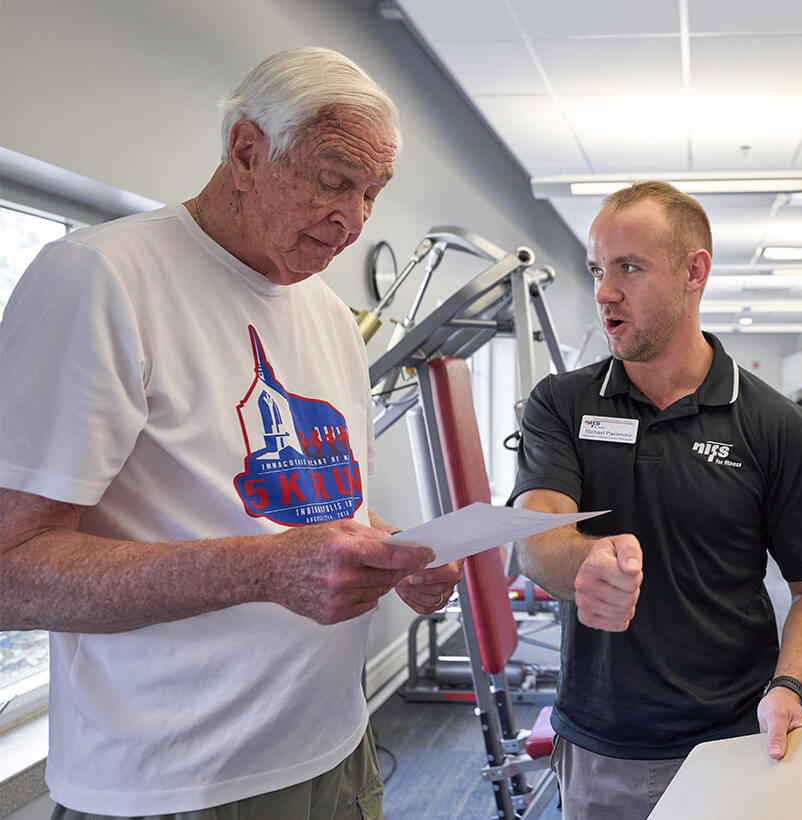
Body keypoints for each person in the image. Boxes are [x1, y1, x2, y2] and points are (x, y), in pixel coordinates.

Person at [0, 47, 462, 819]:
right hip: (175, 783)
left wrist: (393, 553)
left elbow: (322, 514)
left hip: (337, 752)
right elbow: (11, 574)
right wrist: (263, 570)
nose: (352, 218)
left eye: (373, 194)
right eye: (334, 180)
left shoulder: (327, 315)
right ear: (247, 151)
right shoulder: (99, 277)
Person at [510, 181, 802, 820]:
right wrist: (587, 564)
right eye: (597, 270)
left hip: (733, 743)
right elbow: (536, 534)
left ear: (695, 272)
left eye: (629, 268)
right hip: (601, 742)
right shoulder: (560, 403)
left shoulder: (773, 425)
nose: (604, 291)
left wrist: (790, 685)